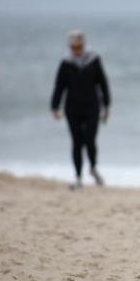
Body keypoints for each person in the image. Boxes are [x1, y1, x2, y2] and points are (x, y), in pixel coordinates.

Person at [50, 30, 111, 190]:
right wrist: (55, 106)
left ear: (83, 45)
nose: (76, 50)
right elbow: (59, 86)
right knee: (77, 142)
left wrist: (107, 106)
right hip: (72, 108)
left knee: (90, 140)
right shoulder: (66, 63)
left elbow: (103, 84)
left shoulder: (93, 60)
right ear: (70, 46)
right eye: (73, 47)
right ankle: (78, 177)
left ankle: (93, 167)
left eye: (79, 46)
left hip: (92, 107)